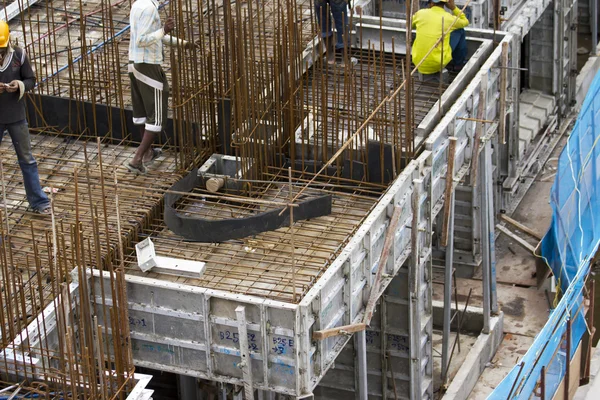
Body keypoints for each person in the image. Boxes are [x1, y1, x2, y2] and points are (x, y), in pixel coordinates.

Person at [126, 0, 190, 174]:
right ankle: (137, 159)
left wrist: (182, 43)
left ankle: (148, 153)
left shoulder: (140, 4)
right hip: (148, 66)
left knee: (142, 112)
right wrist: (164, 30)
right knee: (157, 114)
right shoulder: (148, 8)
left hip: (135, 63)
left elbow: (154, 36)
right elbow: (142, 40)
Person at [0, 21, 51, 214]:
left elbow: (31, 80)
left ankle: (39, 202)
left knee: (27, 160)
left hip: (16, 116)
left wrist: (18, 85)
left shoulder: (19, 55)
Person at [412, 0, 469, 77]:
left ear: (432, 3)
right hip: (439, 62)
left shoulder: (420, 14)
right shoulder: (449, 18)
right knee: (459, 30)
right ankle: (458, 64)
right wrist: (454, 8)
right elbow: (465, 22)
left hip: (418, 61)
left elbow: (410, 25)